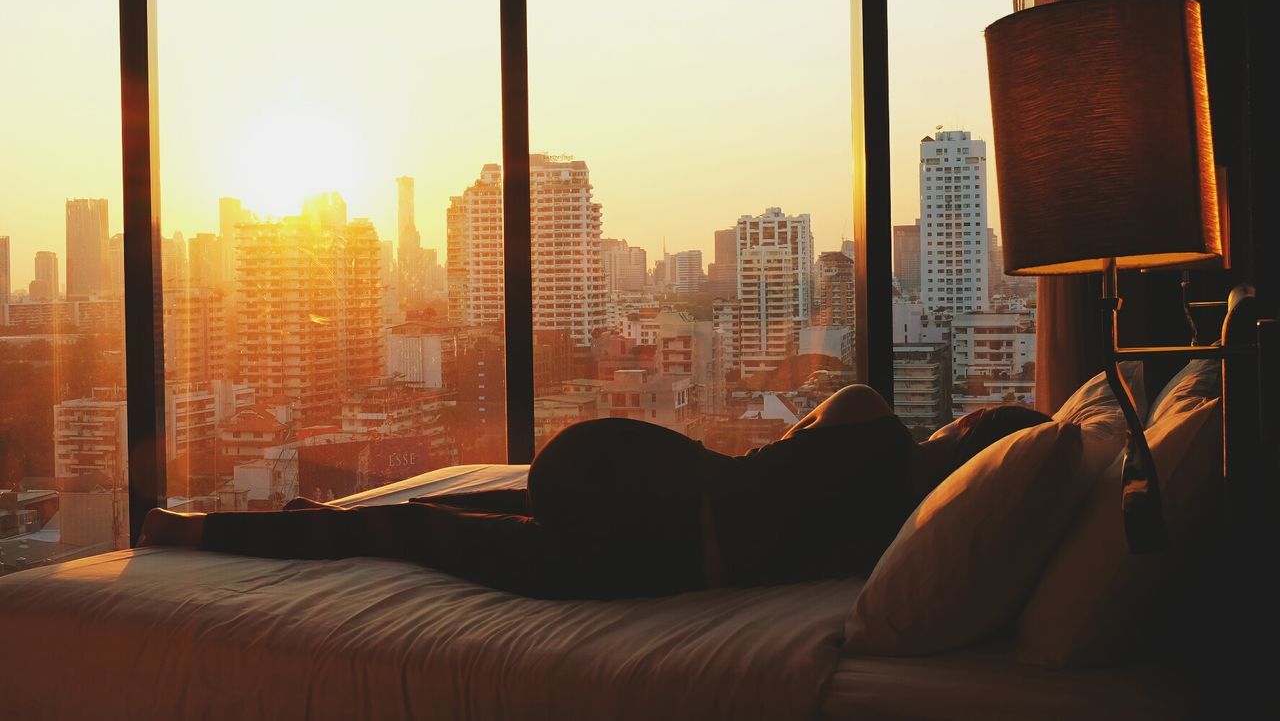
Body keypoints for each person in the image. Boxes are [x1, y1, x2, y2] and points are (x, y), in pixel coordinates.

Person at [139, 385, 1049, 599]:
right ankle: (211, 529)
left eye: (969, 422)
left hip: (630, 490)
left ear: (966, 435)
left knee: (410, 526)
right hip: (645, 535)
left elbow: (780, 456)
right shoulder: (910, 541)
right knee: (414, 528)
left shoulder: (872, 422)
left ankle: (195, 530)